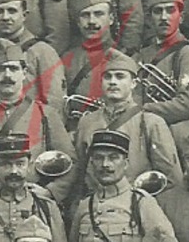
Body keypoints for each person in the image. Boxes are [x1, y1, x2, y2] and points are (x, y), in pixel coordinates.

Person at [0, 39, 75, 200]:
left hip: (35, 202)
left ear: (24, 72)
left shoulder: (46, 114)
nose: (7, 75)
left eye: (13, 69)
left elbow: (71, 163)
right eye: (0, 69)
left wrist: (50, 192)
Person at [71, 48, 182, 194]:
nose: (113, 82)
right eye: (108, 77)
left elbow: (172, 179)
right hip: (95, 205)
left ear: (134, 83)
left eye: (120, 76)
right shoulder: (87, 122)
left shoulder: (151, 123)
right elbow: (79, 173)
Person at [0, 0, 66, 119]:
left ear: (24, 15)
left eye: (12, 11)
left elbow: (54, 103)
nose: (5, 17)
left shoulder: (42, 51)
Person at [132, 0, 189, 124]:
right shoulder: (141, 56)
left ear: (181, 17)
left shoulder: (188, 54)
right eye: (158, 11)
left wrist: (143, 109)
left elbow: (188, 106)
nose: (164, 17)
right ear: (150, 19)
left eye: (170, 10)